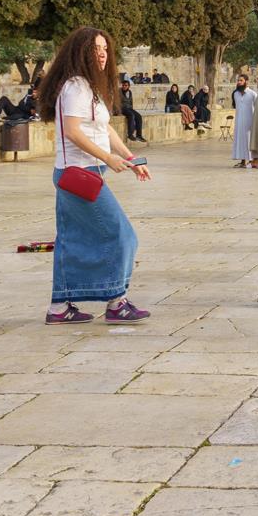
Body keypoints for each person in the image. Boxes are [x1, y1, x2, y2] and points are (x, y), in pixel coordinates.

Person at [36, 27, 151, 324]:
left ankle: (59, 308)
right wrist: (107, 158)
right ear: (80, 52)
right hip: (78, 173)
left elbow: (105, 129)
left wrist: (131, 158)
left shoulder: (91, 87)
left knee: (71, 239)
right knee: (121, 234)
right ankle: (116, 302)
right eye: (94, 48)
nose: (102, 53)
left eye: (104, 48)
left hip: (84, 172)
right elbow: (72, 131)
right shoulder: (75, 86)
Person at [232, 72, 256, 168]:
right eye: (238, 80)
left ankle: (251, 161)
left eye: (241, 80)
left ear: (246, 82)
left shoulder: (252, 94)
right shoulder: (235, 94)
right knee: (240, 140)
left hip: (249, 122)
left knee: (249, 141)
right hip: (239, 122)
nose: (239, 82)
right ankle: (242, 161)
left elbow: (257, 108)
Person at [118, 76, 145, 143]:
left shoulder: (129, 92)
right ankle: (130, 134)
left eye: (126, 85)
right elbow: (116, 102)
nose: (124, 86)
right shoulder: (119, 91)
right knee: (131, 115)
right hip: (122, 108)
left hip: (129, 108)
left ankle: (139, 135)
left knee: (138, 116)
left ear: (129, 86)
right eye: (123, 85)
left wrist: (132, 109)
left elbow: (131, 101)